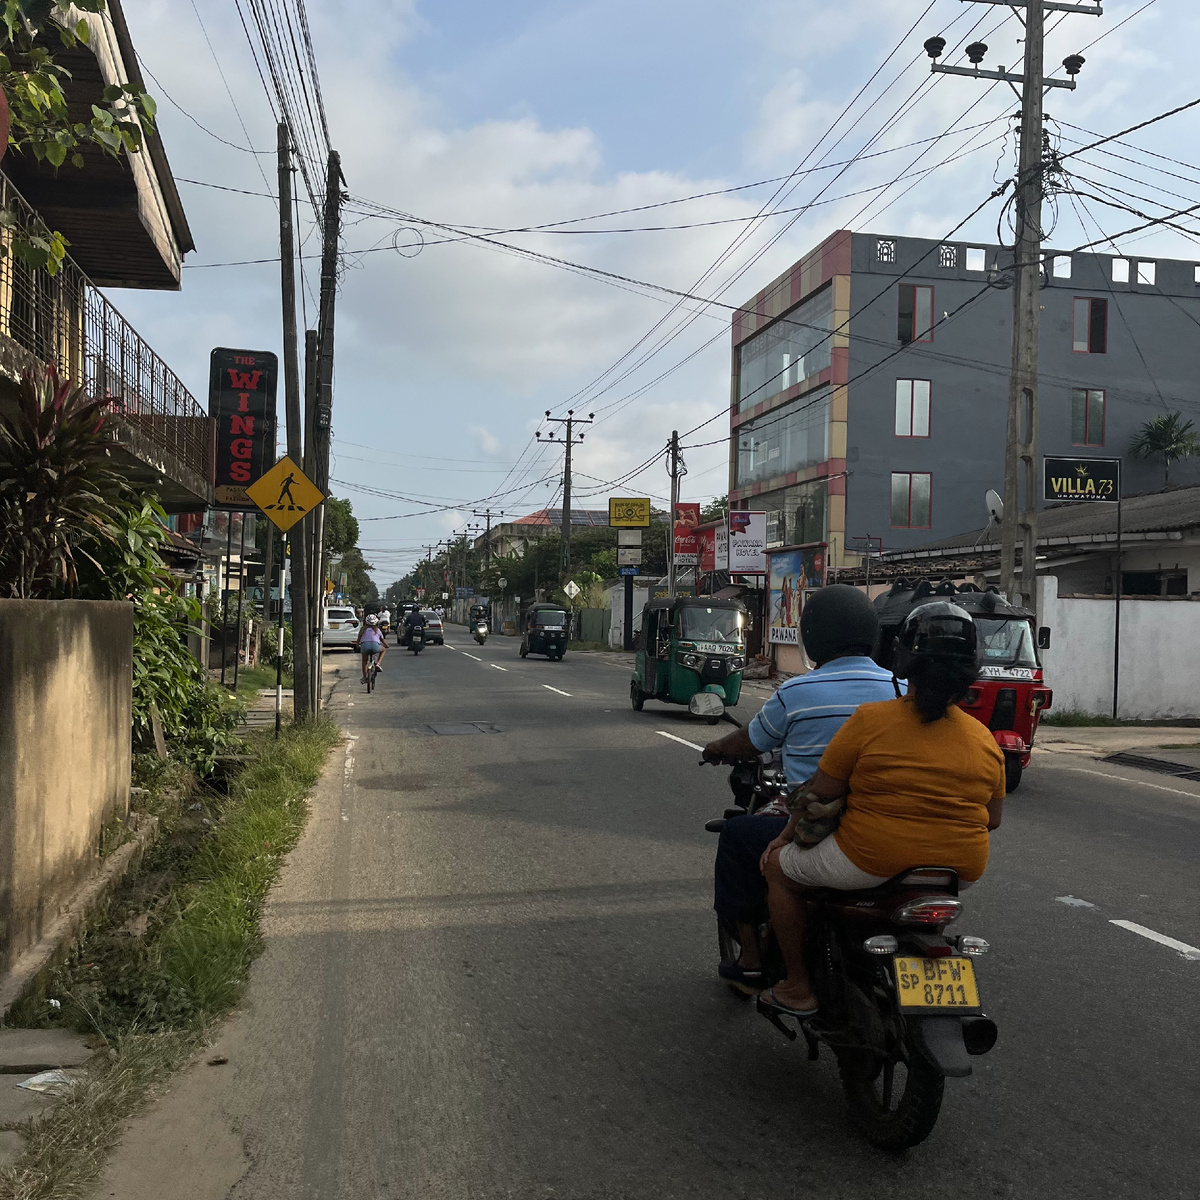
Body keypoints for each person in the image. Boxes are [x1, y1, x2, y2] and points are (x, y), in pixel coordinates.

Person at [759, 600, 1005, 1019]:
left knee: (779, 870)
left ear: (902, 660)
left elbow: (818, 796)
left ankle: (798, 986)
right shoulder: (984, 738)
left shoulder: (871, 721)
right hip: (958, 872)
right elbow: (993, 818)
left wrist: (782, 840)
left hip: (870, 860)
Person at [703, 585, 897, 993]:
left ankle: (754, 960)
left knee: (738, 837)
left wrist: (718, 749)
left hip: (821, 823)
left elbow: (754, 741)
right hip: (888, 822)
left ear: (812, 636)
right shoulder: (900, 689)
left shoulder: (797, 691)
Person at [356, 615, 387, 683]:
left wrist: (358, 645)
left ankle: (364, 678)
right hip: (375, 646)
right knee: (383, 650)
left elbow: (358, 640)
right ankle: (378, 664)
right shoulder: (377, 630)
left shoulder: (362, 629)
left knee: (364, 661)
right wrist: (386, 645)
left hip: (364, 646)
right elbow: (382, 640)